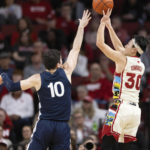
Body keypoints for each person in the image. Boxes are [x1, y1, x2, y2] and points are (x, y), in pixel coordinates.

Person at [0, 10, 91, 150]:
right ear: (58, 63)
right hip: (62, 125)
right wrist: (81, 27)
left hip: (45, 125)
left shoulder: (37, 78)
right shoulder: (66, 72)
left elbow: (12, 87)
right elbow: (76, 49)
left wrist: (4, 76)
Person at [96, 10, 149, 150]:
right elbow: (119, 47)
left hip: (119, 107)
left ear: (133, 50)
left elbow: (100, 44)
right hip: (135, 111)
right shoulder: (141, 65)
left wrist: (101, 24)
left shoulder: (122, 59)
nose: (125, 44)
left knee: (106, 143)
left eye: (129, 43)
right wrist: (109, 25)